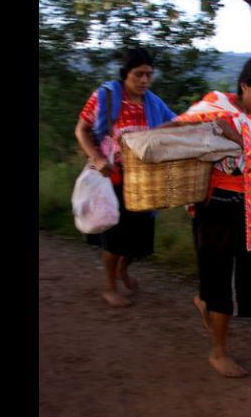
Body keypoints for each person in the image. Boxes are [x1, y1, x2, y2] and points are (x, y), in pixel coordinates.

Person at [171, 56, 251, 378]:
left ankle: (205, 300)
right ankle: (218, 352)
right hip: (215, 208)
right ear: (244, 86)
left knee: (244, 277)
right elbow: (169, 132)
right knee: (221, 278)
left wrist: (236, 138)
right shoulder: (216, 107)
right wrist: (212, 127)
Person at [75, 47, 177, 308]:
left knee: (140, 240)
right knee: (116, 236)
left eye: (149, 75)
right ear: (125, 74)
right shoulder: (106, 97)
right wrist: (97, 159)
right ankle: (110, 286)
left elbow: (175, 123)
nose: (144, 80)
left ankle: (123, 270)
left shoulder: (153, 102)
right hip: (114, 176)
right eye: (138, 74)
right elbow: (82, 129)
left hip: (144, 179)